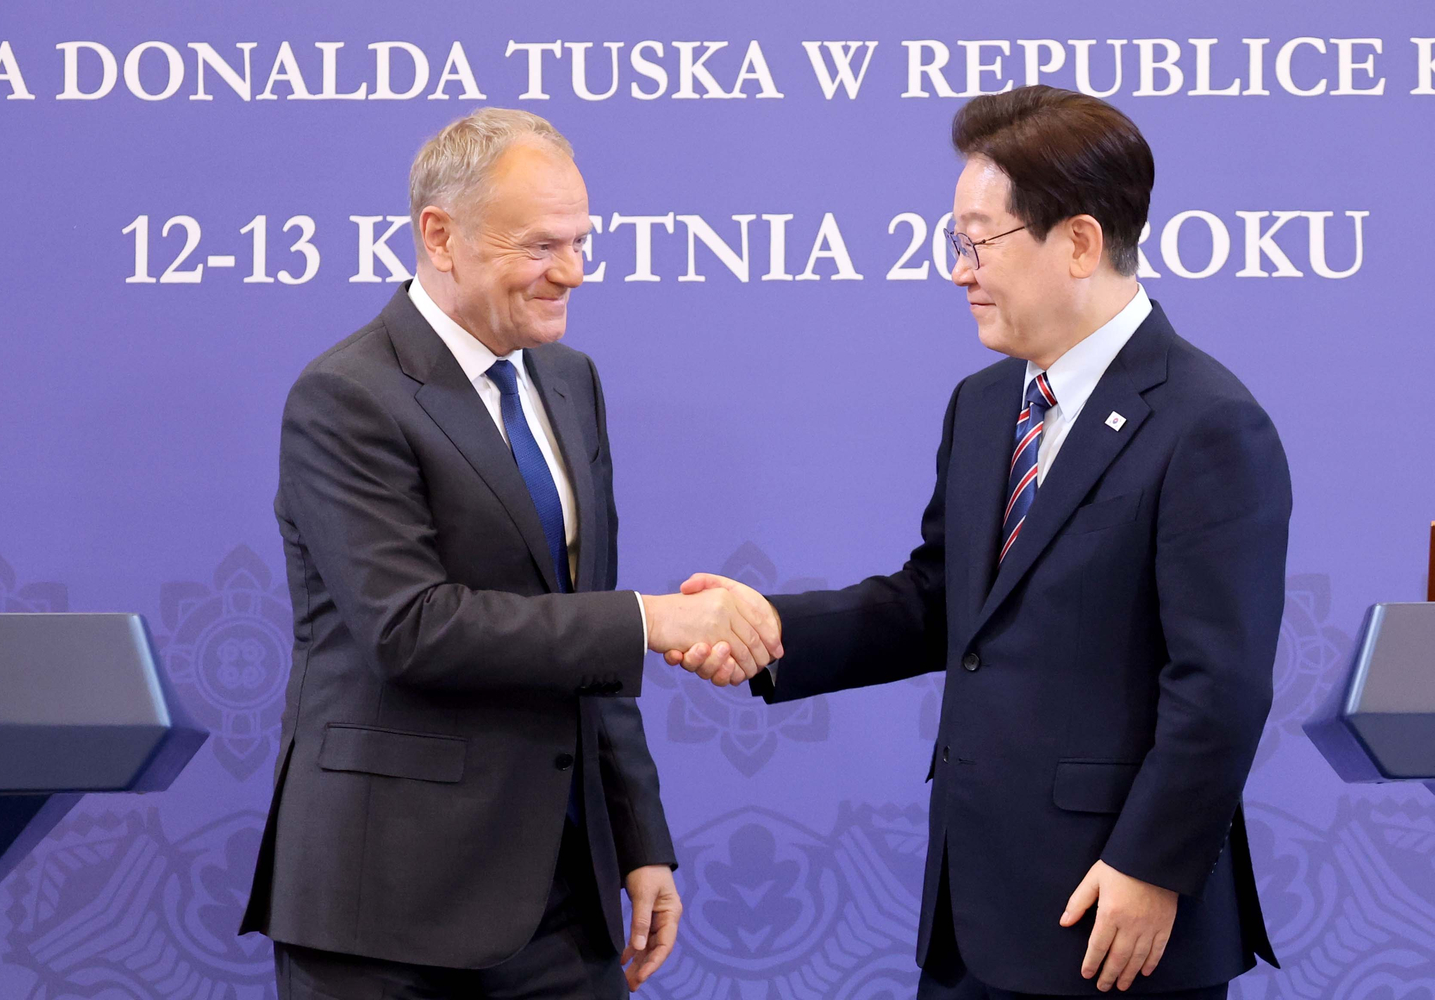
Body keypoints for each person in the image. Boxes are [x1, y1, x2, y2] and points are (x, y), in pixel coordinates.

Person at [670, 86, 1288, 999]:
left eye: (977, 240)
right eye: (953, 242)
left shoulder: (1206, 423)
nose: (959, 269)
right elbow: (940, 601)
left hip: (1112, 917)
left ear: (1077, 241)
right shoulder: (987, 403)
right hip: (972, 912)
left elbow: (1219, 683)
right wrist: (766, 628)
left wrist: (1151, 866)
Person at [239, 108, 783, 1000]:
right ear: (439, 235)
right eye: (538, 246)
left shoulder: (568, 381)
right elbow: (412, 630)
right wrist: (658, 619)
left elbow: (581, 627)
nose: (569, 272)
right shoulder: (347, 396)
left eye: (579, 242)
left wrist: (638, 838)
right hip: (387, 904)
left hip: (561, 898)